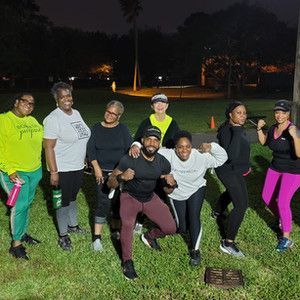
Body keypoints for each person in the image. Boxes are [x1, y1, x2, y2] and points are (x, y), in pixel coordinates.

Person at [107, 126, 177, 280]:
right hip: (130, 197)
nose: (152, 143)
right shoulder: (129, 158)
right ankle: (127, 261)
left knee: (171, 228)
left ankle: (149, 236)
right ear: (143, 141)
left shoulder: (163, 163)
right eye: (149, 139)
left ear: (159, 144)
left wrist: (171, 184)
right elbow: (110, 183)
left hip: (149, 197)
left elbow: (167, 191)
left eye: (155, 140)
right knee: (127, 226)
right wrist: (121, 178)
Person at [158, 130, 227, 266]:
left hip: (197, 189)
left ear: (192, 146)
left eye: (188, 146)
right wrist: (136, 145)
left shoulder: (200, 156)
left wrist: (212, 146)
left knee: (194, 216)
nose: (184, 150)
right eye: (180, 147)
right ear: (175, 148)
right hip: (176, 193)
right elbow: (149, 151)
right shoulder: (167, 154)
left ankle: (195, 250)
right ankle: (180, 226)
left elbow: (222, 158)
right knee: (182, 227)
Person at [43, 82, 91, 251]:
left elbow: (81, 136)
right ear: (56, 100)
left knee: (72, 198)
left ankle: (73, 226)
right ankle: (63, 235)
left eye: (68, 95)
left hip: (77, 167)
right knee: (62, 202)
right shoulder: (53, 118)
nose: (66, 99)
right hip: (62, 169)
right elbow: (48, 147)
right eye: (62, 97)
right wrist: (53, 172)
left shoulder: (76, 113)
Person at [0, 93, 43, 260]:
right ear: (17, 102)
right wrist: (9, 170)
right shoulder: (4, 120)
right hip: (15, 173)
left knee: (27, 204)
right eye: (26, 102)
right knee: (20, 205)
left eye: (32, 103)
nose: (29, 105)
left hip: (35, 171)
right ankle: (16, 244)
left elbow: (45, 139)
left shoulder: (32, 121)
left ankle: (22, 233)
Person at [87, 100, 132, 251]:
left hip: (119, 173)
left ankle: (115, 231)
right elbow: (91, 150)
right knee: (103, 202)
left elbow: (128, 152)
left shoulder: (123, 129)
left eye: (114, 114)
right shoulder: (96, 128)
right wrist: (96, 168)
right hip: (102, 172)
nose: (110, 115)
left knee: (118, 204)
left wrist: (119, 172)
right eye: (108, 111)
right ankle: (96, 238)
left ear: (119, 116)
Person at [131, 93, 180, 233]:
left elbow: (177, 142)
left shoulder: (172, 122)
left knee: (163, 191)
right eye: (156, 103)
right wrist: (135, 145)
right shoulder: (147, 121)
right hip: (148, 161)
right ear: (152, 106)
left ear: (167, 106)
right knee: (145, 190)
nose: (160, 105)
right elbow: (137, 139)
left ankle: (163, 220)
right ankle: (139, 221)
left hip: (165, 163)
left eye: (163, 103)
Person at [257, 99, 300, 252]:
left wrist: (295, 137)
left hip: (293, 170)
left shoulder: (293, 129)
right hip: (276, 167)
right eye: (277, 112)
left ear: (288, 114)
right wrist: (259, 129)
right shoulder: (273, 128)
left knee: (282, 200)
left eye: (283, 112)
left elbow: (299, 154)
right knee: (266, 197)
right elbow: (264, 143)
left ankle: (286, 238)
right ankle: (283, 219)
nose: (279, 115)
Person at [212, 101, 251, 257]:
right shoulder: (229, 130)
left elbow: (242, 151)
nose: (242, 116)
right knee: (241, 205)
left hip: (236, 170)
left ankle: (217, 211)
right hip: (228, 171)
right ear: (230, 114)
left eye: (244, 113)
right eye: (238, 113)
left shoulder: (238, 128)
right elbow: (232, 155)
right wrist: (236, 131)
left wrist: (245, 165)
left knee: (232, 192)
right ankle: (227, 243)